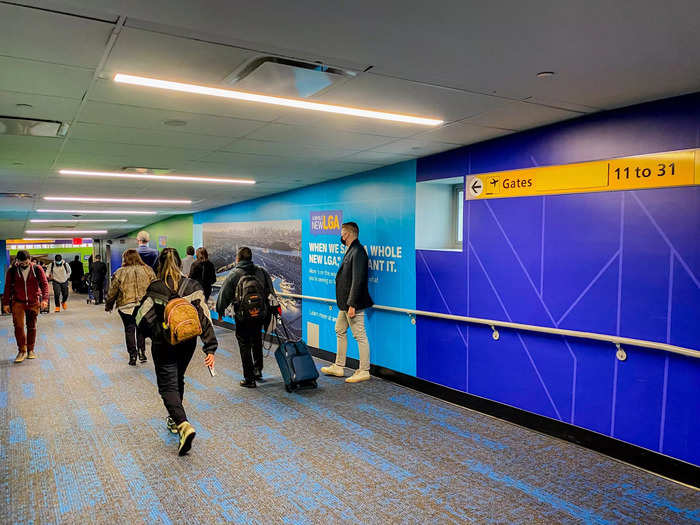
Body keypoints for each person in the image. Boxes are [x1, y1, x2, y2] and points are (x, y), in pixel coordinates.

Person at [135, 248, 217, 456]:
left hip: (164, 344)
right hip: (188, 342)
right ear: (180, 264)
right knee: (178, 376)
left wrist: (155, 333)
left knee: (166, 385)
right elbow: (204, 317)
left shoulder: (156, 287)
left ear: (159, 265)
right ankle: (174, 419)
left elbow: (141, 318)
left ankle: (183, 424)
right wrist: (210, 347)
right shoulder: (193, 286)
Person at [321, 222, 374, 383]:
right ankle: (339, 366)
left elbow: (358, 280)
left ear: (349, 234)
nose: (341, 236)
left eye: (342, 233)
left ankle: (364, 370)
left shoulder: (358, 252)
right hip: (345, 303)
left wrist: (352, 304)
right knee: (339, 329)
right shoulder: (351, 250)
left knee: (360, 335)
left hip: (352, 303)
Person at [216, 246, 275, 388]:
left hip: (243, 316)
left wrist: (220, 311)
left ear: (238, 258)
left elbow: (224, 295)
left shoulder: (234, 274)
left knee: (244, 344)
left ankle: (249, 379)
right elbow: (271, 292)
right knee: (256, 339)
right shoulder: (261, 271)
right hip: (259, 314)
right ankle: (258, 370)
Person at [105, 249, 156, 365]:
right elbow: (155, 287)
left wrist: (109, 305)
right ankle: (142, 352)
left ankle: (132, 356)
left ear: (125, 259)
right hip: (144, 305)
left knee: (129, 330)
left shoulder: (120, 272)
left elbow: (112, 291)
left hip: (125, 306)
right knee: (141, 329)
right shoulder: (148, 270)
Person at [2, 250, 49, 363]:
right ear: (17, 260)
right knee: (18, 326)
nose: (24, 264)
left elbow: (44, 284)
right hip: (18, 302)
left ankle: (30, 350)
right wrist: (5, 303)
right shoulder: (12, 270)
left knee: (31, 326)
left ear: (30, 259)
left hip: (33, 302)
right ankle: (21, 351)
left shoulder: (37, 269)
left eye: (26, 262)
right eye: (21, 262)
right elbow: (7, 286)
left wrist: (45, 299)